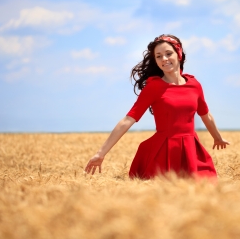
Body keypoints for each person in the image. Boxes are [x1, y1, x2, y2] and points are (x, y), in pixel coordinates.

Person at [85, 34, 229, 179]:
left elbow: (205, 114)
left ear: (179, 54)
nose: (164, 59)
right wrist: (100, 153)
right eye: (158, 56)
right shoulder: (154, 87)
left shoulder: (194, 84)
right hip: (164, 152)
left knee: (202, 192)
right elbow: (128, 119)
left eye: (168, 53)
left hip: (191, 150)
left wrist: (217, 138)